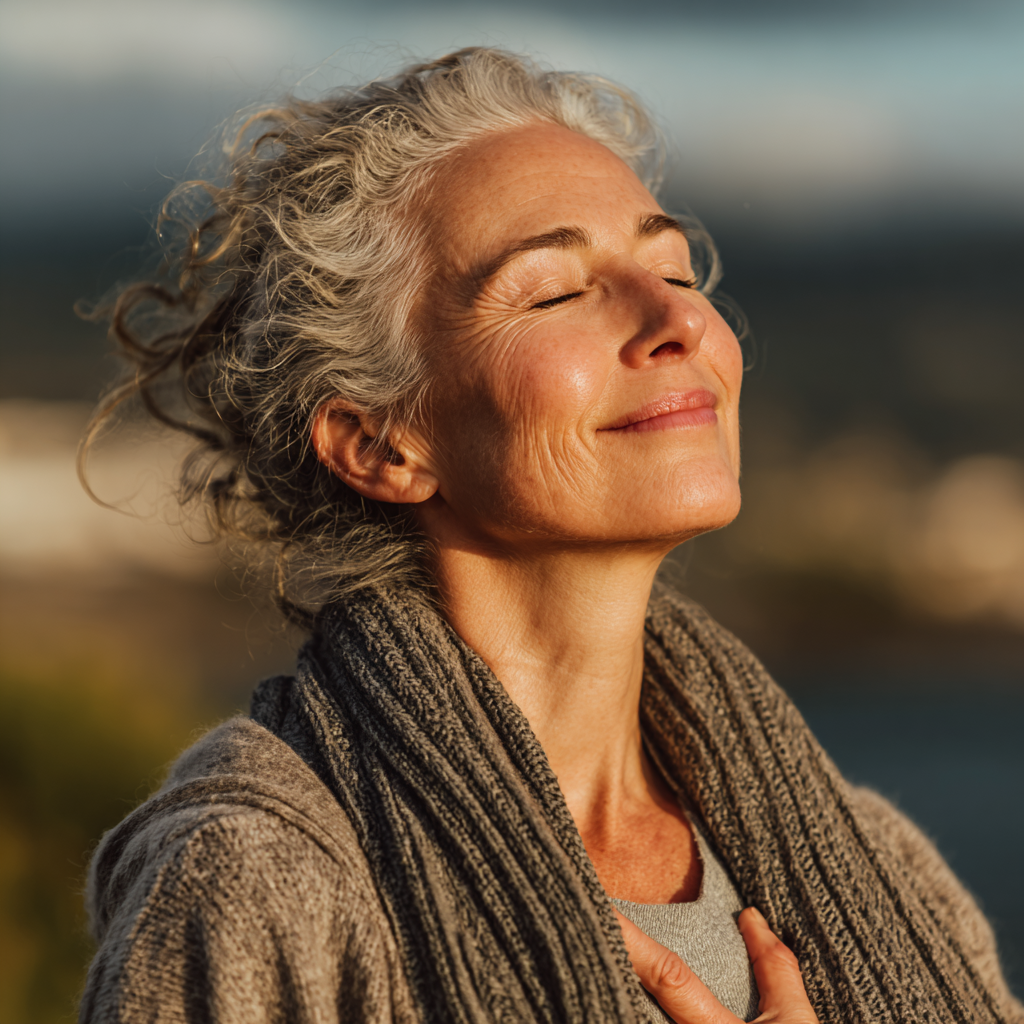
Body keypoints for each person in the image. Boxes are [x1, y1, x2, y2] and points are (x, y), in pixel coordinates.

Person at [78, 48, 1021, 1023]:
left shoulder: (876, 864)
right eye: (554, 292)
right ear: (377, 444)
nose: (675, 320)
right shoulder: (260, 879)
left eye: (673, 269)